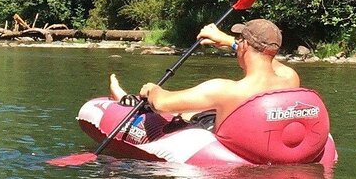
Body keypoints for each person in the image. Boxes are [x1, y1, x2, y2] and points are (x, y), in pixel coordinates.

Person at [109, 19, 299, 131]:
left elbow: (162, 104)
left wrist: (151, 89)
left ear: (245, 46)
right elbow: (269, 59)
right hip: (260, 142)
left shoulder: (223, 90)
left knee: (179, 112)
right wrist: (229, 41)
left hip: (227, 141)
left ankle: (125, 99)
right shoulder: (290, 79)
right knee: (200, 110)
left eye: (240, 40)